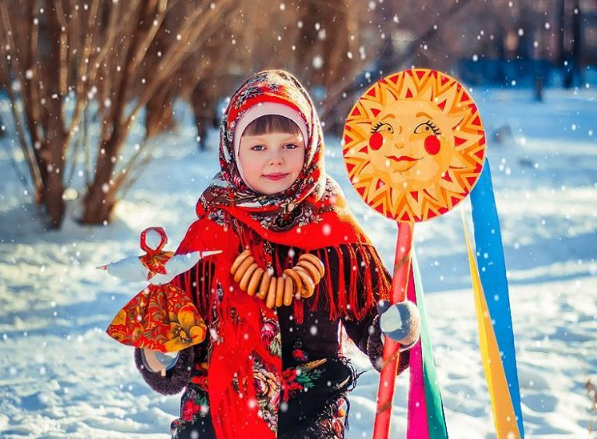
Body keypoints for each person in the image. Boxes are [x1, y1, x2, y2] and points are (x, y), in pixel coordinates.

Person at [134, 70, 420, 439]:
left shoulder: (337, 234)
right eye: (258, 147)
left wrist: (394, 330)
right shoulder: (209, 237)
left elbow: (378, 336)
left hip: (308, 413)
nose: (276, 160)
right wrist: (159, 352)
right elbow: (172, 355)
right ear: (232, 153)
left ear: (310, 146)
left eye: (289, 145)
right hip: (215, 414)